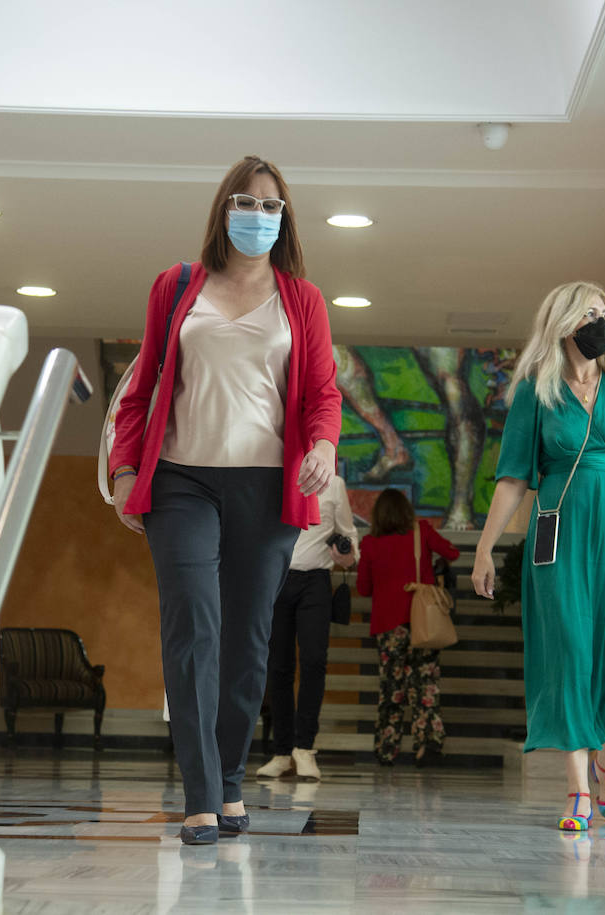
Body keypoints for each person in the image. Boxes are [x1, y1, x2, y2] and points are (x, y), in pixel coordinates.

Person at [108, 156, 342, 845]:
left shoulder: (303, 299)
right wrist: (126, 469)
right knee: (194, 627)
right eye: (246, 202)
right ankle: (201, 795)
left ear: (285, 219)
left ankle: (232, 781)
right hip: (182, 479)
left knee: (248, 642)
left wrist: (323, 447)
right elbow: (143, 385)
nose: (258, 215)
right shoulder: (176, 286)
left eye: (272, 206)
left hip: (268, 486)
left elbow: (322, 393)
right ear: (223, 209)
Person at [470, 281, 605, 832]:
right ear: (565, 322)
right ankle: (576, 787)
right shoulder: (535, 392)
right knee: (566, 650)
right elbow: (514, 477)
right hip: (558, 534)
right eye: (591, 312)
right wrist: (486, 548)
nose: (602, 321)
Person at [255, 475, 359, 781]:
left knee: (314, 661)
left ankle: (305, 748)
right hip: (277, 578)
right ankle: (282, 751)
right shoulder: (274, 472)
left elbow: (349, 532)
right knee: (278, 667)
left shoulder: (334, 483)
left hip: (316, 580)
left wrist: (349, 554)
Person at [356, 488, 460, 766]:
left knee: (392, 688)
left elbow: (363, 588)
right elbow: (452, 552)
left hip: (388, 627)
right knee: (424, 684)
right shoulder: (421, 532)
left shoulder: (370, 544)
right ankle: (428, 745)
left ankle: (387, 749)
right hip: (422, 622)